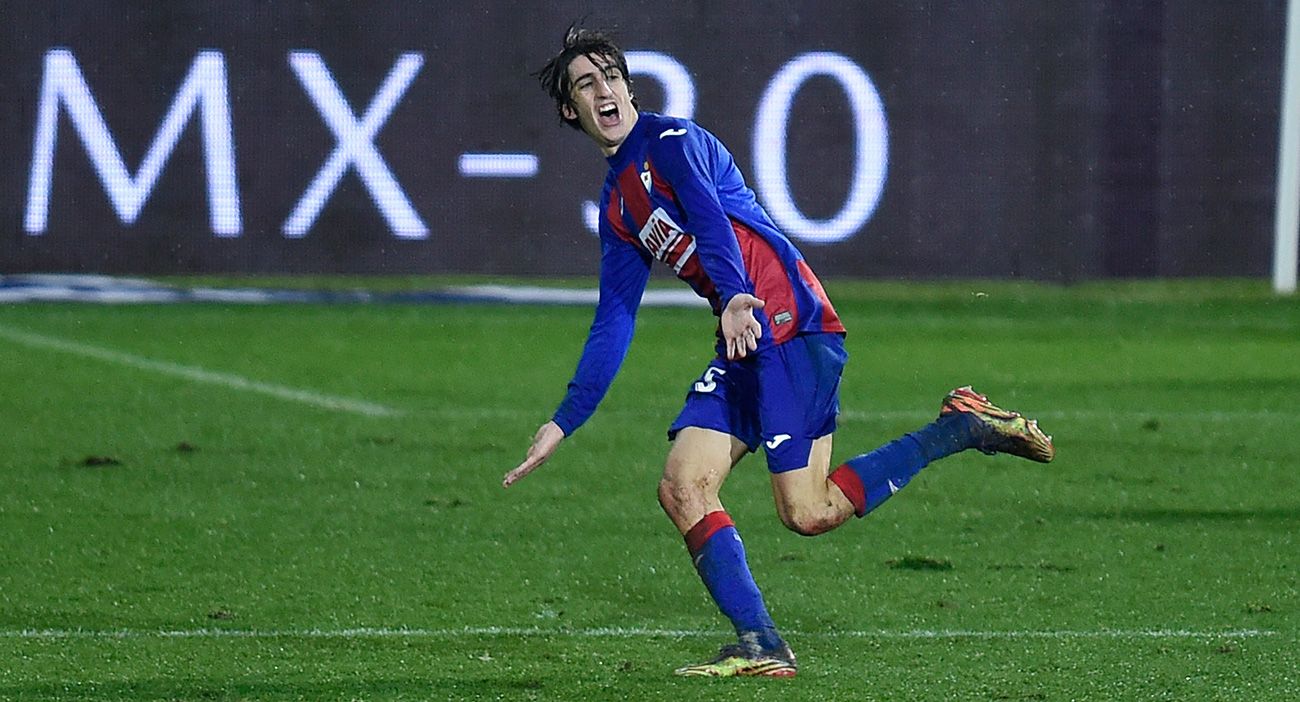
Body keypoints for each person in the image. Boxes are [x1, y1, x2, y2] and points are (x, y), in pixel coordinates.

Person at [503, 26, 1055, 678]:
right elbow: (615, 319)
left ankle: (960, 428)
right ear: (571, 110)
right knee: (682, 487)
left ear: (628, 86)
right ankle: (762, 645)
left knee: (808, 512)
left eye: (611, 75)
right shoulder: (618, 206)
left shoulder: (670, 140)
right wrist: (564, 420)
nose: (605, 90)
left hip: (787, 322)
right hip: (744, 335)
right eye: (586, 83)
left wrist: (735, 293)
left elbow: (707, 212)